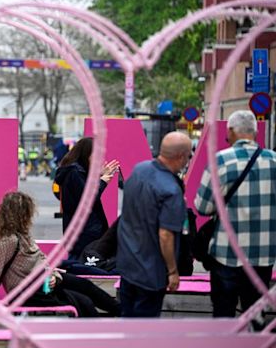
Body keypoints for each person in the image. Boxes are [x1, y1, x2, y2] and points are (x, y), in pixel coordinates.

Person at [0, 191, 120, 317]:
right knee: (82, 301)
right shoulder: (8, 240)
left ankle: (119, 313)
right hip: (30, 294)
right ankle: (113, 319)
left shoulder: (23, 236)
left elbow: (42, 261)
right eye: (27, 213)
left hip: (42, 285)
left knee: (84, 288)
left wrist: (54, 277)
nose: (30, 217)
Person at [195, 110, 276, 320]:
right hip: (263, 254)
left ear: (231, 131)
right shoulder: (274, 161)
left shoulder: (220, 160)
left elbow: (202, 207)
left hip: (226, 253)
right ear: (255, 133)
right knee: (255, 314)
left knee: (223, 313)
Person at [117, 131, 191, 317]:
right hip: (151, 272)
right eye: (189, 156)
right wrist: (173, 271)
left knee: (127, 321)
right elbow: (166, 235)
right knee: (145, 329)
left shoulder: (138, 170)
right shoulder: (171, 190)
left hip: (127, 264)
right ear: (181, 156)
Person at [54, 137, 119, 259]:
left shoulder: (76, 172)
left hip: (81, 232)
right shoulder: (75, 172)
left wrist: (98, 175)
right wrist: (102, 181)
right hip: (84, 233)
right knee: (82, 265)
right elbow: (88, 198)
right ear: (86, 154)